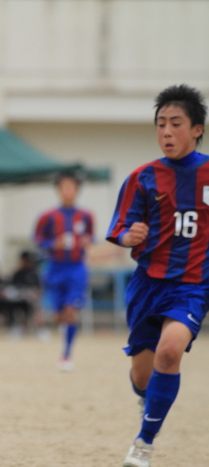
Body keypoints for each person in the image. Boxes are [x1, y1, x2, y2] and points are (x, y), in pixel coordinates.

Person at [106, 84, 207, 467]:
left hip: (194, 285)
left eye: (175, 123)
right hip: (147, 285)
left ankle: (143, 444)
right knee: (142, 375)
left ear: (196, 129)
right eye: (161, 123)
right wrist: (127, 235)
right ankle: (144, 400)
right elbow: (120, 227)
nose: (166, 131)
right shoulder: (142, 178)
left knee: (170, 350)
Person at [34, 171, 94, 371]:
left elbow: (91, 236)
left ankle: (66, 355)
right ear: (58, 191)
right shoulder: (48, 216)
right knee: (58, 315)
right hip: (55, 268)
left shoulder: (85, 216)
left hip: (77, 268)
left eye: (72, 187)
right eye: (64, 187)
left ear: (77, 191)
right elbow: (37, 239)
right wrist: (53, 243)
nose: (68, 191)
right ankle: (61, 324)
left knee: (71, 310)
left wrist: (87, 241)